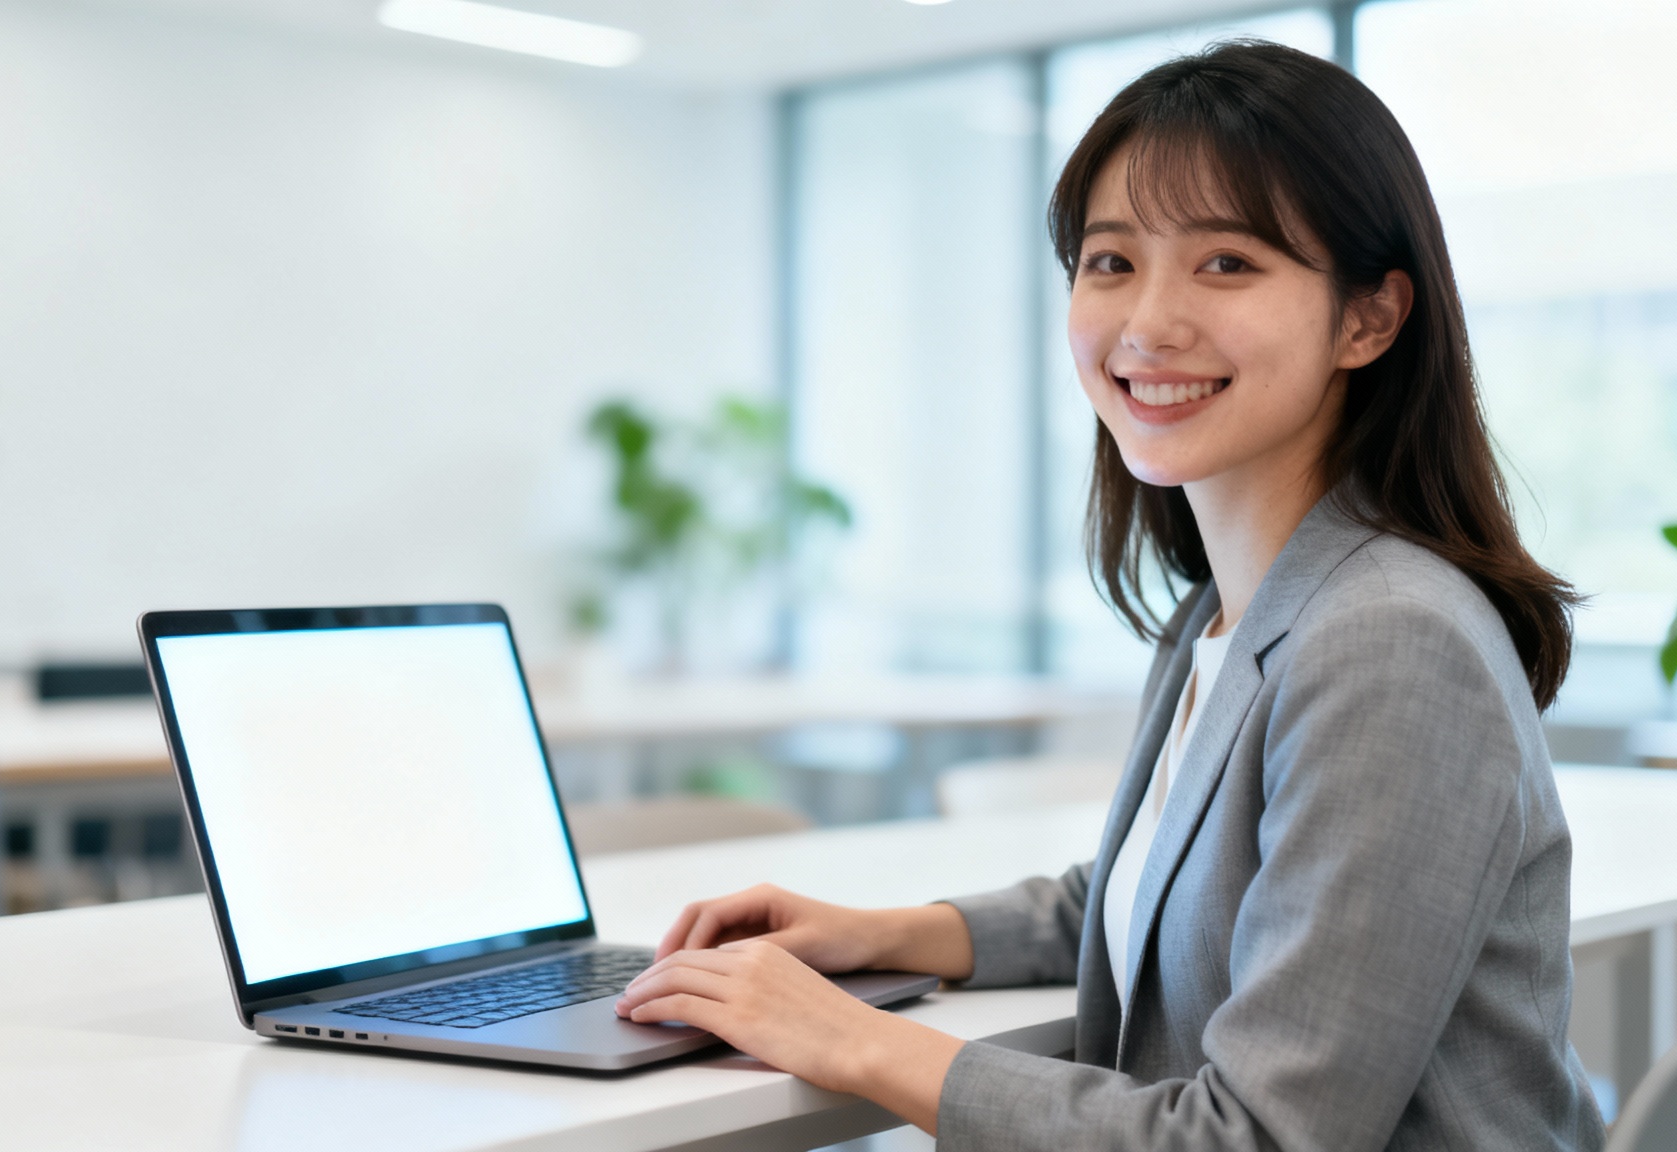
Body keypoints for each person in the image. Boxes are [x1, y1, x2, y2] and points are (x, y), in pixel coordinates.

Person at [613, 40, 1607, 1151]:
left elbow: (1257, 1139)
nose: (1147, 323)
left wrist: (850, 1040)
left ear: (1366, 320)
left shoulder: (1385, 640)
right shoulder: (1232, 607)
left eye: (1226, 263)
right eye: (1109, 261)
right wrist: (874, 933)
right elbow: (1157, 895)